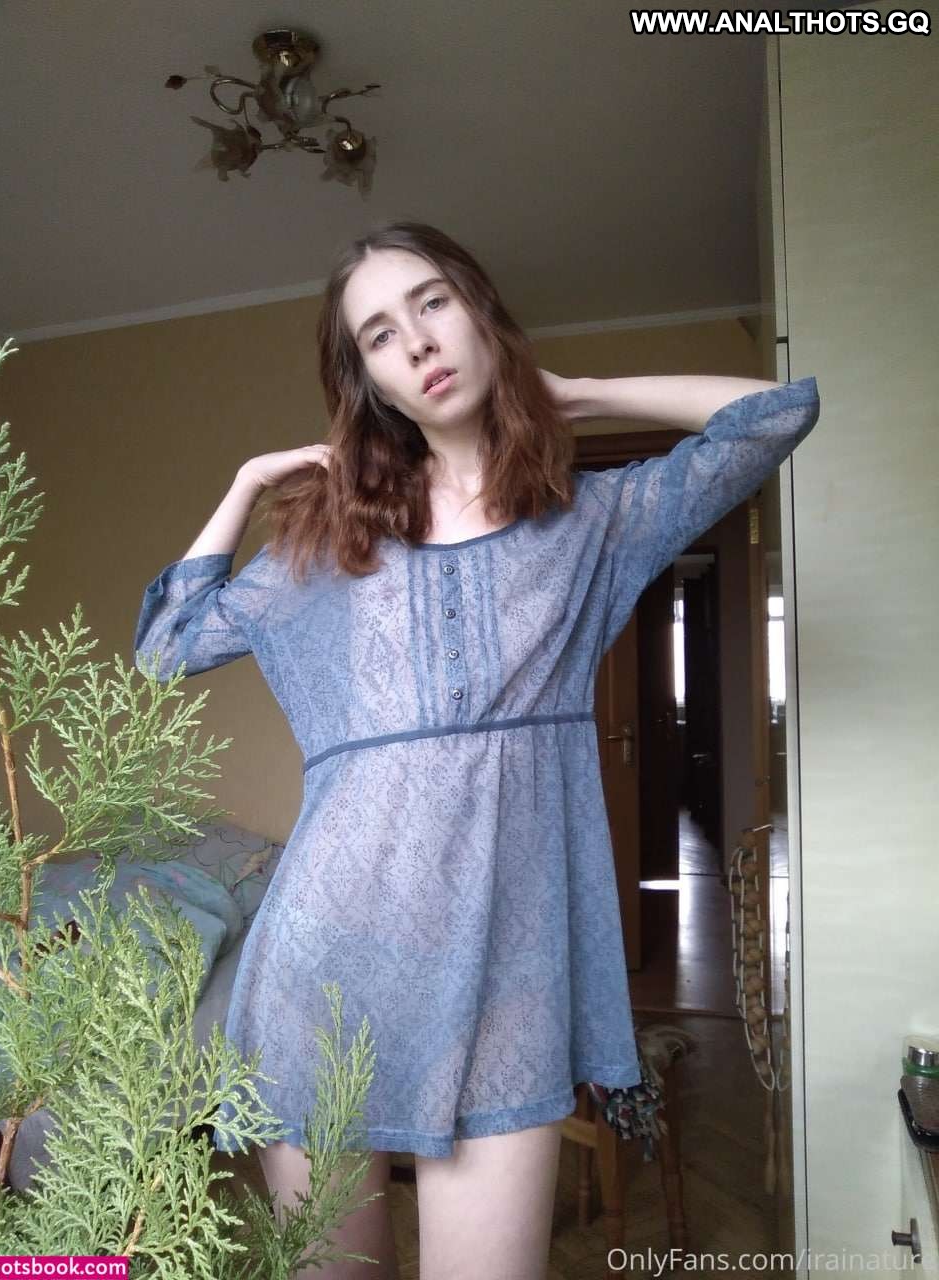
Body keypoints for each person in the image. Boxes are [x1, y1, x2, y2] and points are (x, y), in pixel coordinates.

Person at [134, 220, 821, 1280]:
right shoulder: (324, 542)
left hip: (510, 977)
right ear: (368, 381)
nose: (415, 341)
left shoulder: (594, 520)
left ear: (480, 313)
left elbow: (777, 415)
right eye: (378, 334)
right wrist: (244, 481)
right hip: (322, 970)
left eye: (433, 303)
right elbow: (165, 647)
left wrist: (578, 394)